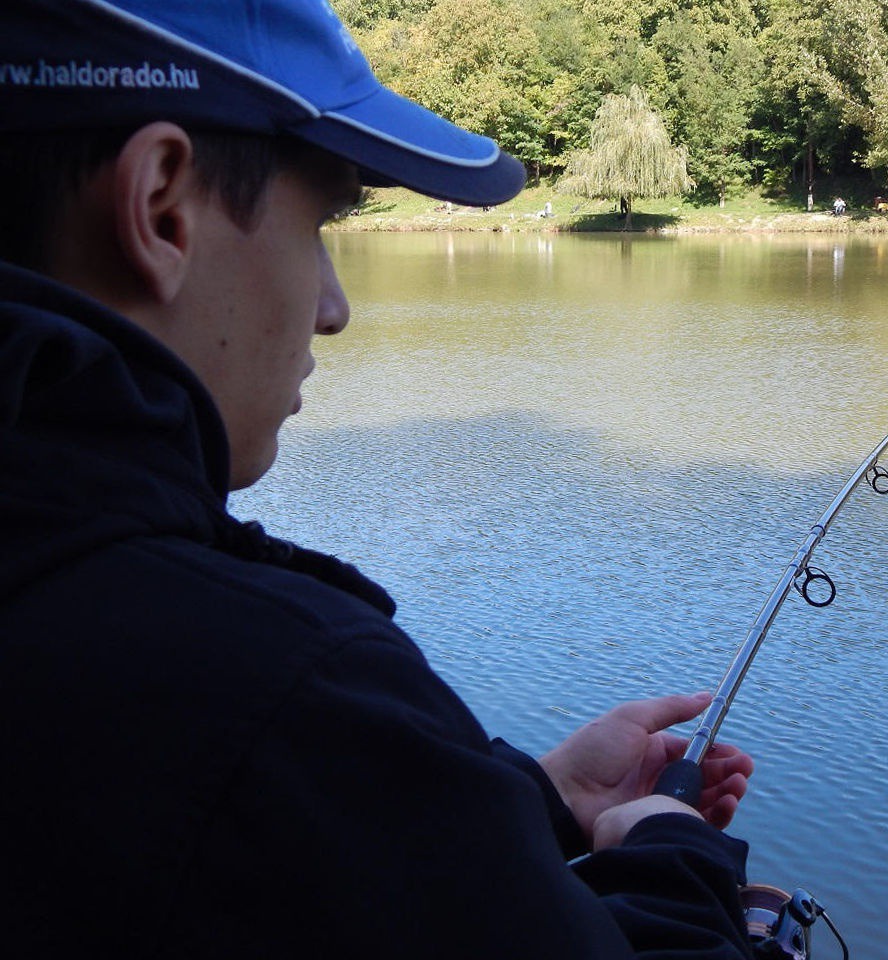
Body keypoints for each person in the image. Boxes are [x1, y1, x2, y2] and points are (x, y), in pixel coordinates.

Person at [0, 1, 755, 956]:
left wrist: (531, 799)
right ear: (161, 207)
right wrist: (674, 859)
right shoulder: (280, 692)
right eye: (320, 223)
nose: (333, 308)